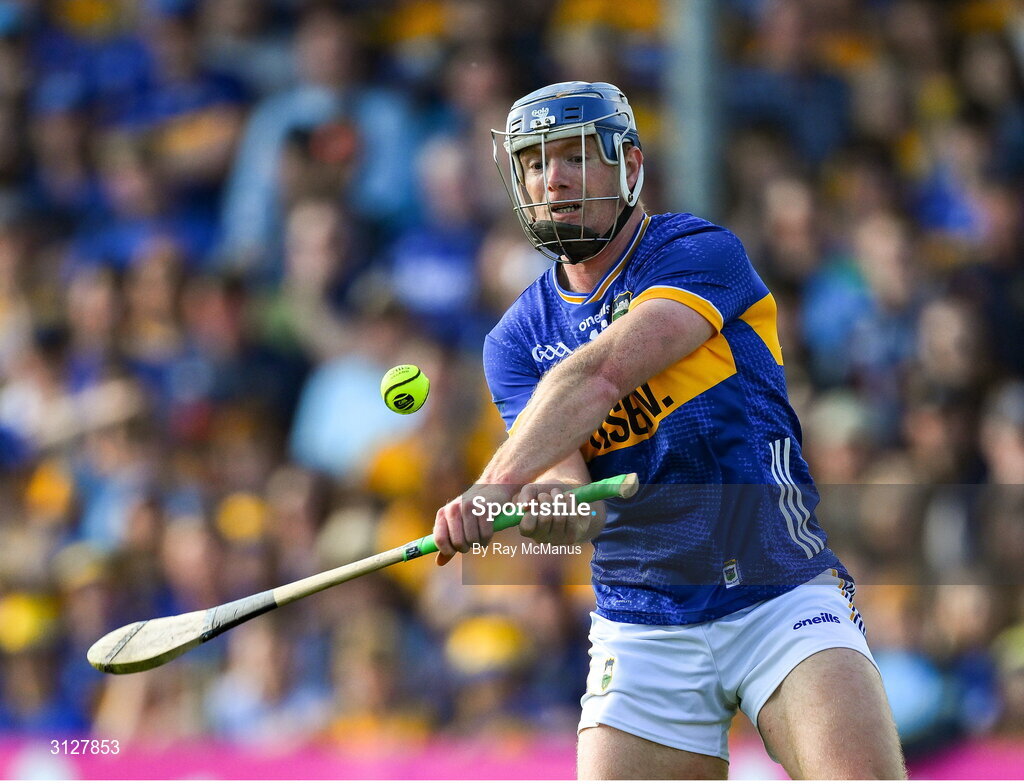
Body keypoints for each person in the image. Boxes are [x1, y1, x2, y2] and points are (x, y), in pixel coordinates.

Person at [432, 81, 906, 779]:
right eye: (534, 163)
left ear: (628, 164)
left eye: (573, 156)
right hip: (643, 620)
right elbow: (579, 510)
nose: (552, 178)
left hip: (777, 590)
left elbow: (602, 373)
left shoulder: (696, 252)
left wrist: (493, 482)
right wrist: (533, 510)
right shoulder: (514, 342)